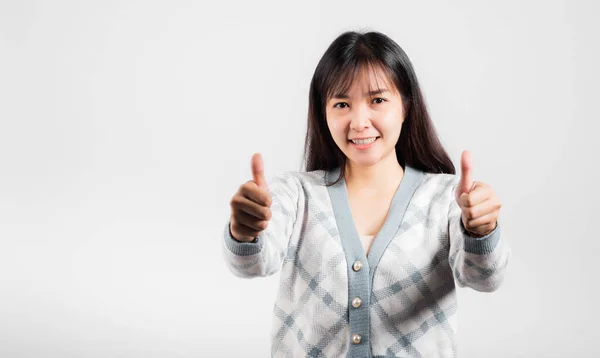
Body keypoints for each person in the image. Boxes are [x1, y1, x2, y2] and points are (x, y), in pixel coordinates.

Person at [222, 30, 511, 358]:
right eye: (342, 104)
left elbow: (485, 278)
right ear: (324, 113)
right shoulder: (296, 194)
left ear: (405, 106)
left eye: (377, 100)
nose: (359, 122)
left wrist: (481, 231)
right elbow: (251, 265)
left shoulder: (446, 198)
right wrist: (245, 233)